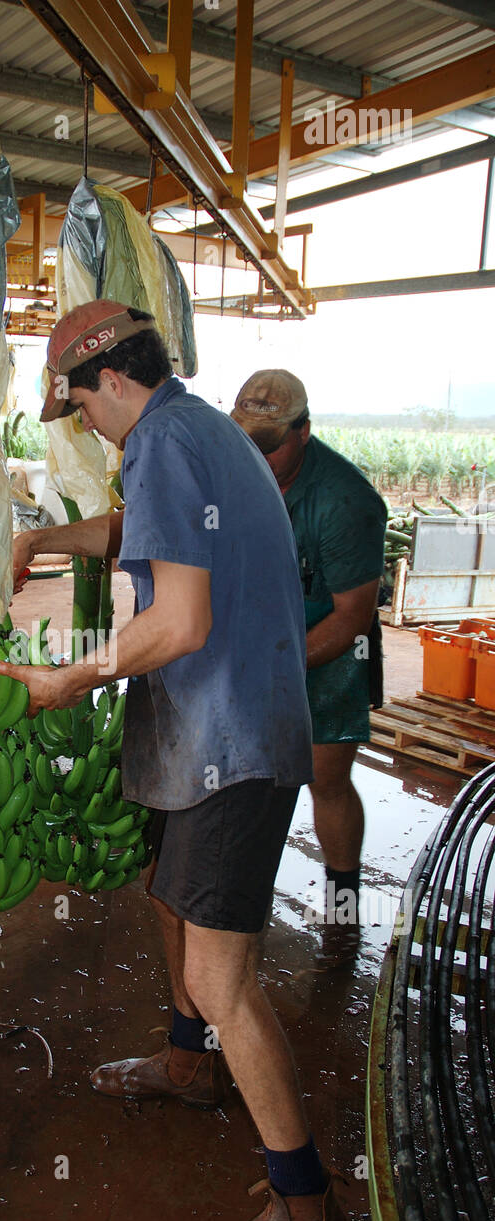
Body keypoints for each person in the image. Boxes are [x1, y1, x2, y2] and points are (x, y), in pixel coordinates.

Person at [0, 300, 351, 1221]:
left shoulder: (163, 443)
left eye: (81, 410)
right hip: (216, 732)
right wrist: (51, 539)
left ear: (108, 383)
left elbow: (181, 617)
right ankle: (191, 1063)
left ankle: (305, 1213)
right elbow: (142, 534)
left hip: (231, 741)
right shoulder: (192, 430)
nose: (88, 429)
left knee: (226, 976)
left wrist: (76, 675)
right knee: (166, 891)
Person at [231, 372, 387, 954]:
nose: (259, 456)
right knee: (247, 776)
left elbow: (351, 618)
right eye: (247, 440)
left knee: (327, 780)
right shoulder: (239, 471)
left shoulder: (346, 501)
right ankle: (239, 901)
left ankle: (343, 906)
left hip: (329, 646)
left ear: (304, 433)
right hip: (260, 635)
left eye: (270, 444)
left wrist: (279, 670)